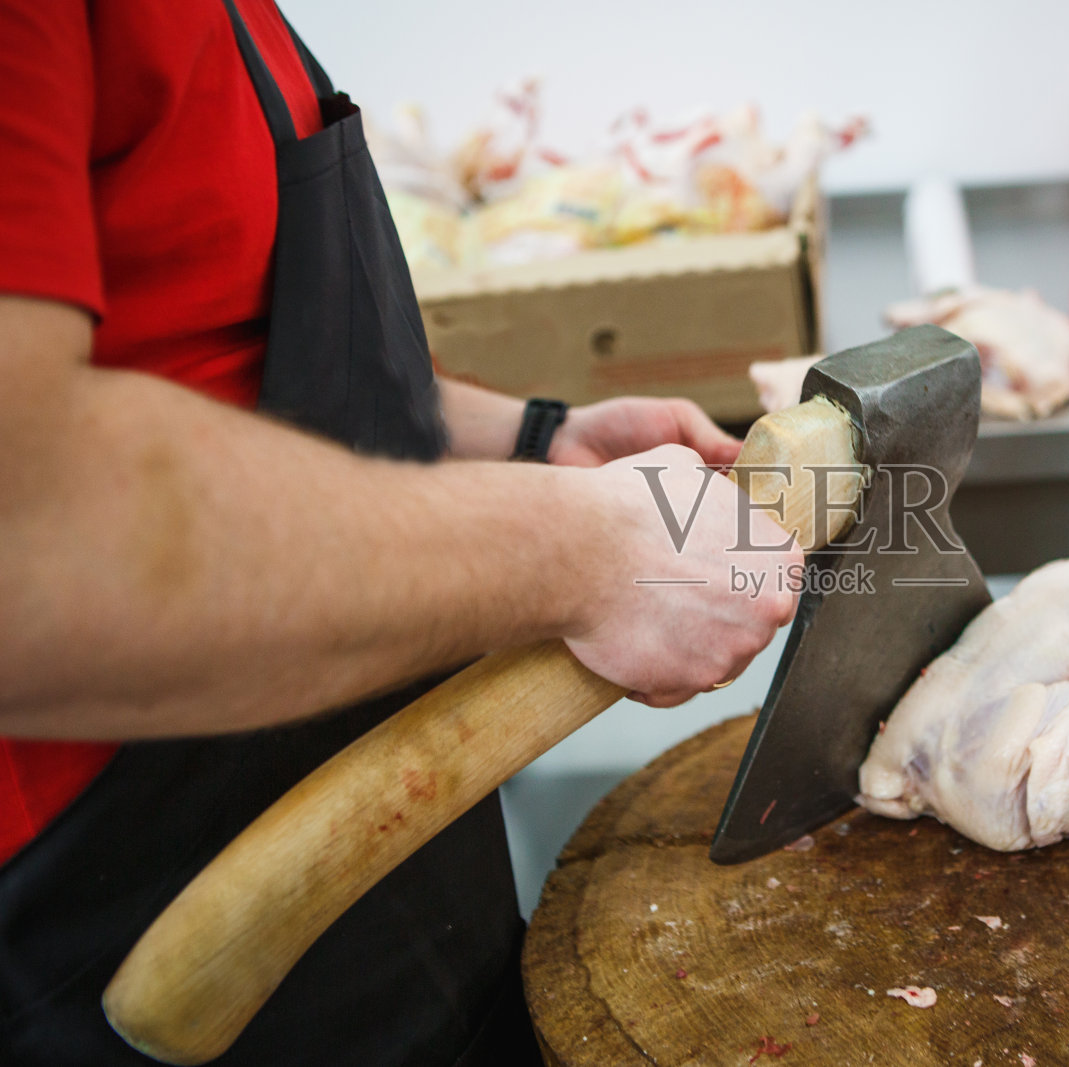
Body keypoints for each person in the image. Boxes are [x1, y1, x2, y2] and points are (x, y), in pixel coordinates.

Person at [0, 2, 801, 1063]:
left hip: (388, 857)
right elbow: (32, 539)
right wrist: (584, 552)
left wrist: (527, 437)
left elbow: (228, 347)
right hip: (129, 892)